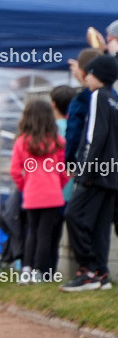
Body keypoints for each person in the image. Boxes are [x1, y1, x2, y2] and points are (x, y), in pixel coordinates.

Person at [61, 54, 118, 292]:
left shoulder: (97, 97)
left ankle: (88, 271)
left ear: (100, 76)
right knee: (100, 226)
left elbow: (95, 135)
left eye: (91, 73)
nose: (87, 78)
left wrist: (85, 170)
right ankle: (100, 273)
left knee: (74, 215)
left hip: (95, 172)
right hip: (111, 174)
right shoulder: (114, 100)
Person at [9, 98, 67, 283]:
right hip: (53, 196)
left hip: (31, 195)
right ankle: (39, 272)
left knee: (32, 232)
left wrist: (24, 187)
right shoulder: (58, 142)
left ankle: (26, 268)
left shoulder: (21, 142)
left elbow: (15, 171)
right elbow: (64, 171)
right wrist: (58, 186)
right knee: (45, 234)